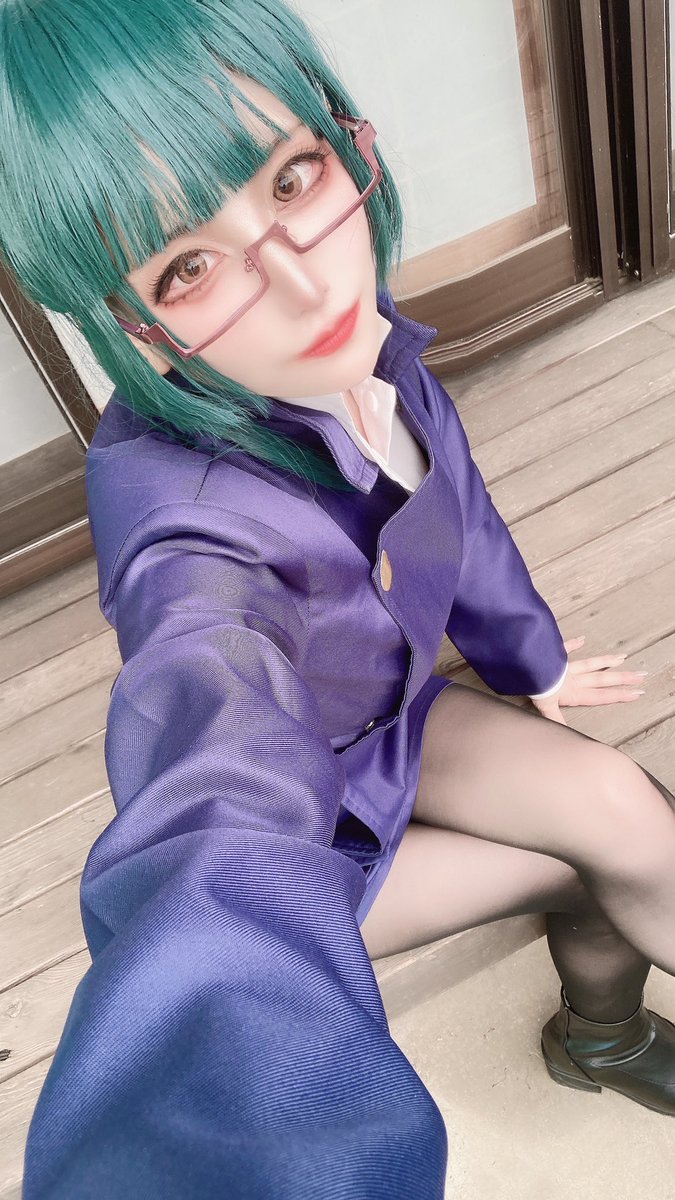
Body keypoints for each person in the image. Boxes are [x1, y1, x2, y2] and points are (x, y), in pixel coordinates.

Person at [1, 1, 673, 1196]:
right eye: (188, 266)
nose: (309, 289)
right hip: (310, 836)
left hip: (389, 720)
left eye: (293, 177)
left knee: (631, 807)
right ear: (132, 328)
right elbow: (212, 783)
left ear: (344, 140)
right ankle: (602, 1038)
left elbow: (458, 513)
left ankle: (602, 1034)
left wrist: (532, 661)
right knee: (594, 862)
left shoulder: (363, 347)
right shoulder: (184, 527)